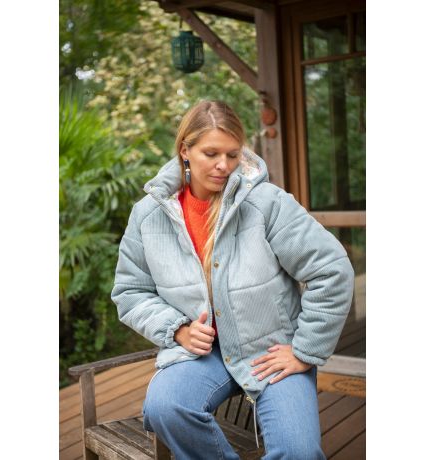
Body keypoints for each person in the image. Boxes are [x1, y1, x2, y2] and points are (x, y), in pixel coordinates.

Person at [111, 99, 354, 459]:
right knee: (166, 407)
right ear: (185, 151)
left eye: (233, 154)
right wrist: (177, 329)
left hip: (270, 350)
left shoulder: (267, 204)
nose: (223, 165)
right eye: (211, 153)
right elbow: (131, 292)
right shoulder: (148, 216)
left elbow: (332, 269)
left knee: (299, 452)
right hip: (200, 354)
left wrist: (305, 350)